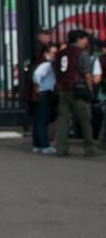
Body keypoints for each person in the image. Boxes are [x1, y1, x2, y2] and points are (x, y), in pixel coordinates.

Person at [54, 29, 98, 157]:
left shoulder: (60, 53)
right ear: (79, 39)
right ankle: (89, 147)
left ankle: (61, 148)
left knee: (63, 120)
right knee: (85, 119)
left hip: (63, 89)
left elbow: (56, 70)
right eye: (85, 38)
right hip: (77, 89)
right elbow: (87, 74)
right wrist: (90, 89)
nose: (86, 41)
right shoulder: (81, 53)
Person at [31, 42, 56, 154]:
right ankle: (44, 145)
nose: (55, 55)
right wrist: (37, 88)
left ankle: (37, 145)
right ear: (47, 53)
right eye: (53, 53)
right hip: (44, 93)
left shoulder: (44, 63)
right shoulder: (47, 64)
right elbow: (37, 75)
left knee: (38, 121)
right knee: (42, 120)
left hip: (42, 93)